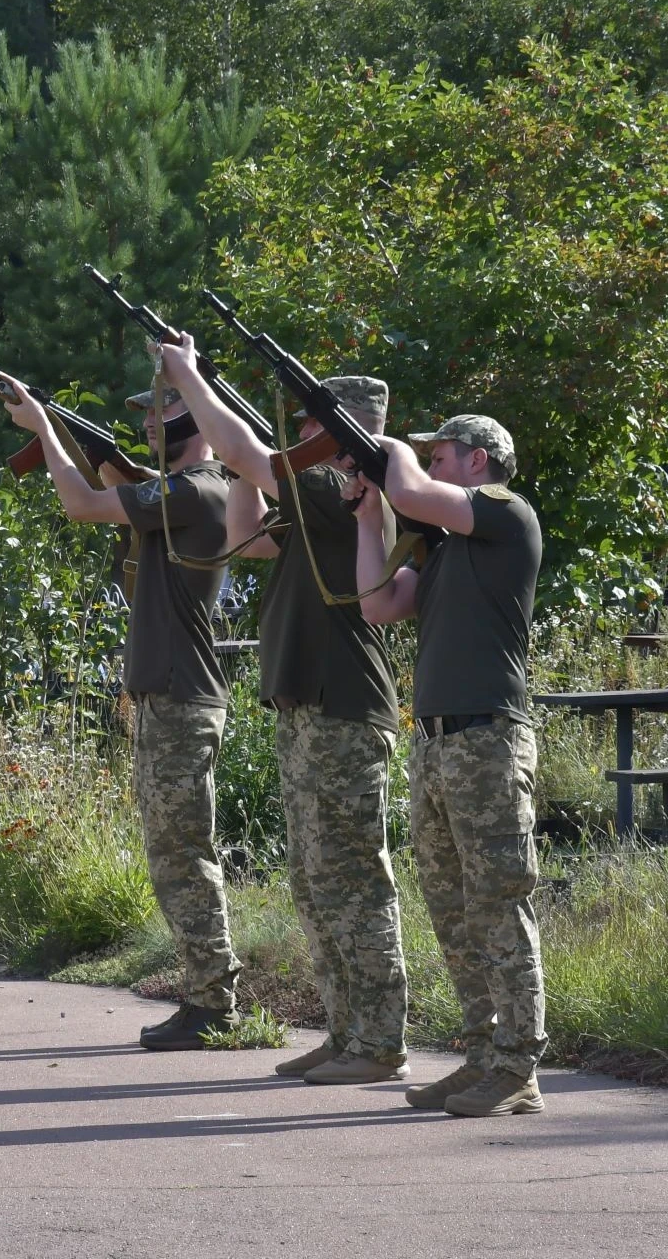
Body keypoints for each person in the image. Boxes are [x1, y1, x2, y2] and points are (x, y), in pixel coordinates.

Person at [158, 336, 409, 1086]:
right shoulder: (318, 500)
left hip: (345, 707)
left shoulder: (350, 489)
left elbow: (254, 458)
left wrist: (194, 382)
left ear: (341, 432)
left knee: (354, 881)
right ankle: (346, 1031)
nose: (297, 438)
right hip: (309, 708)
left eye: (309, 428)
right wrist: (240, 451)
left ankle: (379, 1040)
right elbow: (244, 536)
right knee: (312, 879)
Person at [0, 374, 242, 1050]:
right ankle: (207, 993)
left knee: (182, 854)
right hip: (168, 694)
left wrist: (45, 431)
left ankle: (214, 1002)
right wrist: (84, 445)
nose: (148, 426)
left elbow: (82, 505)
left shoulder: (197, 489)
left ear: (193, 423)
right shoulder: (181, 492)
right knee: (173, 852)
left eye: (162, 414)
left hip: (181, 695)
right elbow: (111, 488)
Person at [348, 413, 547, 1117]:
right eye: (426, 455)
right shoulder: (441, 544)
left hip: (487, 738)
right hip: (437, 746)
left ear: (479, 460)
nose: (427, 464)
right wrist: (370, 514)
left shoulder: (502, 512)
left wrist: (390, 457)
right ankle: (481, 1055)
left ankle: (518, 1064)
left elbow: (413, 489)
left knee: (498, 905)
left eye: (439, 455)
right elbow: (377, 605)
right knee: (454, 912)